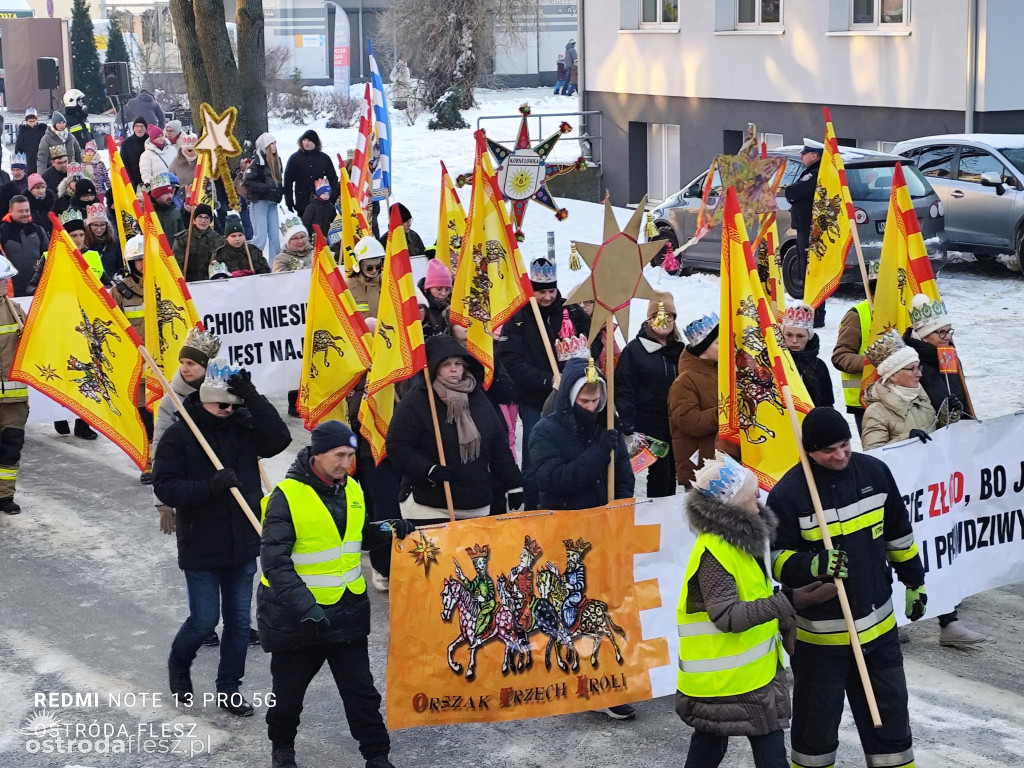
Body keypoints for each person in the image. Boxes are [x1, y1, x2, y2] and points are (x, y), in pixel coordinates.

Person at [767, 406, 926, 768]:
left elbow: (899, 536)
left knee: (891, 727)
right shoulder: (789, 493)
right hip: (820, 643)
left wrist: (914, 582)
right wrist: (813, 565)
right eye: (828, 450)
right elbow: (776, 562)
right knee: (815, 732)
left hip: (879, 634)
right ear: (808, 450)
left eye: (844, 445)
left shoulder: (875, 473)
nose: (839, 455)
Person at [258, 420, 413, 768]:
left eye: (351, 455)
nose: (346, 462)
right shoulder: (287, 497)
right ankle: (282, 749)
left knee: (361, 693)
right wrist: (306, 607)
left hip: (346, 614)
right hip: (299, 620)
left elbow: (356, 537)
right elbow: (274, 563)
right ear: (317, 454)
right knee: (288, 697)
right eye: (339, 455)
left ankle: (376, 755)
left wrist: (388, 530)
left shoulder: (353, 489)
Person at [677, 452, 837, 768]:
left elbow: (752, 596)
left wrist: (787, 602)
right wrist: (791, 601)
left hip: (740, 676)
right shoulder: (716, 552)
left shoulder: (738, 541)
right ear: (730, 505)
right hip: (729, 680)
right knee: (763, 748)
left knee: (710, 744)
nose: (759, 500)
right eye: (751, 496)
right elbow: (727, 617)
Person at [152, 358, 291, 715]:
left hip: (243, 538)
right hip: (201, 541)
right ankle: (179, 664)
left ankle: (229, 688)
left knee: (239, 623)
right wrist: (210, 487)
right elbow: (166, 487)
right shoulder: (181, 434)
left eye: (234, 404)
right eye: (222, 404)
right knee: (203, 620)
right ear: (205, 399)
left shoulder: (243, 424)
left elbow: (279, 438)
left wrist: (251, 395)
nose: (229, 410)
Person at [900, 295, 986, 647]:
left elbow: (959, 391)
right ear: (924, 335)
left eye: (950, 330)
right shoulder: (909, 362)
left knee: (945, 529)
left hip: (948, 455)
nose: (948, 337)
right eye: (941, 333)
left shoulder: (948, 355)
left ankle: (948, 610)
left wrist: (967, 419)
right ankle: (899, 611)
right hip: (920, 462)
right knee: (912, 539)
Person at [386, 334, 524, 525]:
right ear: (434, 368)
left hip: (476, 503)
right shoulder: (417, 400)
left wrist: (514, 484)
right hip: (429, 504)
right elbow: (397, 445)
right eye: (446, 364)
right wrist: (428, 470)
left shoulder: (477, 396)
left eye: (458, 363)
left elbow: (497, 445)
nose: (453, 369)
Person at [501, 257, 590, 509]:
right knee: (535, 456)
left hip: (572, 397)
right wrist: (547, 378)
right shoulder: (518, 317)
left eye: (551, 291)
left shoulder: (571, 311)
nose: (547, 297)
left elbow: (591, 342)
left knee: (571, 451)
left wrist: (575, 373)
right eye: (541, 292)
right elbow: (511, 360)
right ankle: (533, 507)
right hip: (535, 400)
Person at [530, 356, 634, 511]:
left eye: (596, 400)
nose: (591, 408)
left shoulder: (608, 424)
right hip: (566, 521)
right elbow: (554, 480)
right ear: (571, 399)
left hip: (606, 519)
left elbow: (624, 475)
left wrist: (620, 507)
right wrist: (599, 452)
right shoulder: (545, 431)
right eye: (584, 401)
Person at [615, 292, 685, 497]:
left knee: (674, 471)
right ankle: (658, 512)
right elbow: (623, 387)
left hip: (676, 422)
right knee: (660, 472)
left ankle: (668, 511)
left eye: (669, 316)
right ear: (649, 319)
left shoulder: (681, 351)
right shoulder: (635, 351)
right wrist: (628, 419)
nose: (664, 321)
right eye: (657, 316)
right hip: (649, 423)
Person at [669, 313, 720, 486]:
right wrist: (725, 412)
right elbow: (690, 422)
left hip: (723, 463)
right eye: (718, 343)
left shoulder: (722, 372)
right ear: (703, 348)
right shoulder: (685, 381)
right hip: (700, 468)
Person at [783, 143, 824, 327]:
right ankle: (813, 312)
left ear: (814, 156)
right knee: (805, 270)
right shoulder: (815, 171)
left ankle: (815, 314)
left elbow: (793, 191)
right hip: (807, 227)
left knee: (809, 271)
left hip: (809, 229)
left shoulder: (814, 173)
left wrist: (791, 193)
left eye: (804, 153)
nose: (801, 156)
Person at [0, 256, 29, 514]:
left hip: (14, 399)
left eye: (4, 280)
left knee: (11, 448)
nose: (4, 285)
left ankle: (5, 496)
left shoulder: (16, 310)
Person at [782, 303, 834, 407]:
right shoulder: (774, 362)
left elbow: (826, 405)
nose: (794, 341)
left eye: (800, 336)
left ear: (809, 337)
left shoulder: (819, 366)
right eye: (789, 335)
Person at [832, 297, 871, 432]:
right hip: (866, 403)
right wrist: (871, 361)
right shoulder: (857, 314)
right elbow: (840, 357)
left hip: (904, 398)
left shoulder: (903, 307)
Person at [244, 133, 285, 258]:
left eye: (274, 143)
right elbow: (248, 182)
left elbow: (278, 180)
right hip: (259, 202)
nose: (273, 146)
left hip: (272, 202)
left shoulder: (277, 160)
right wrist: (266, 189)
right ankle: (253, 262)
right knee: (260, 237)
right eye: (270, 144)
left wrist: (279, 192)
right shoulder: (256, 162)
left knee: (275, 237)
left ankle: (276, 265)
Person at [283, 130, 337, 219]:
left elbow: (333, 178)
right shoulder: (295, 158)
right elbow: (288, 182)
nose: (306, 143)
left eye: (309, 140)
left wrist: (331, 196)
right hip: (302, 201)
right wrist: (289, 201)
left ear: (315, 143)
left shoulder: (324, 158)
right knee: (305, 228)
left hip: (320, 200)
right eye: (304, 140)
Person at [0, 196, 46, 297]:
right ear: (10, 211)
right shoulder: (3, 232)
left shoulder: (38, 230)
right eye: (20, 211)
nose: (25, 214)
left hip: (36, 290)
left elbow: (48, 255)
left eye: (27, 210)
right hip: (12, 291)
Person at [172, 203, 224, 282]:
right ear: (194, 219)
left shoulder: (218, 240)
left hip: (211, 284)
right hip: (189, 283)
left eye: (206, 218)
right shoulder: (183, 239)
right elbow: (176, 263)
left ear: (210, 220)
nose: (203, 221)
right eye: (200, 217)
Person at [209, 213, 271, 277]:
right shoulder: (220, 254)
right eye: (233, 236)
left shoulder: (254, 251)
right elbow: (216, 277)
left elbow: (265, 272)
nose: (237, 239)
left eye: (240, 235)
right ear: (227, 238)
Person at [348, 236, 386, 318]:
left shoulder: (388, 283)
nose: (374, 271)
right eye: (369, 268)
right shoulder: (347, 287)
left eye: (378, 266)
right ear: (359, 266)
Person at [85, 204, 122, 282]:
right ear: (89, 226)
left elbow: (120, 266)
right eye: (95, 225)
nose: (99, 229)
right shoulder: (84, 243)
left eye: (102, 225)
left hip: (112, 283)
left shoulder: (115, 241)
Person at [419, 258, 452, 337]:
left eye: (447, 289)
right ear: (428, 288)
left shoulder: (453, 303)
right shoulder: (420, 307)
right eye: (439, 289)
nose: (443, 294)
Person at [149, 173, 184, 239]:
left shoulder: (176, 212)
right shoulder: (148, 213)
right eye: (166, 193)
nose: (170, 196)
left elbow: (181, 237)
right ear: (157, 195)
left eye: (171, 193)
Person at [15, 109, 46, 175]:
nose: (32, 123)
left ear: (36, 120)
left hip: (40, 159)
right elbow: (18, 146)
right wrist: (18, 160)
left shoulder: (41, 130)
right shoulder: (23, 131)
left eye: (33, 121)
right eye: (30, 121)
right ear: (26, 121)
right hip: (28, 160)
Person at [120, 117, 149, 189]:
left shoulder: (150, 141)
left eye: (142, 126)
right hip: (133, 179)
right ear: (133, 128)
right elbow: (123, 162)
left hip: (149, 179)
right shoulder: (126, 143)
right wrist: (129, 179)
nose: (139, 129)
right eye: (137, 126)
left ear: (146, 128)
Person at [169, 133, 199, 199]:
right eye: (190, 150)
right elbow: (170, 179)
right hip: (181, 198)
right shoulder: (176, 161)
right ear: (184, 150)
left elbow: (209, 182)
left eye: (196, 150)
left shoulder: (202, 161)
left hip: (200, 197)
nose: (193, 152)